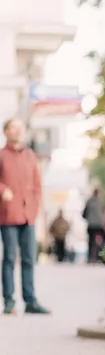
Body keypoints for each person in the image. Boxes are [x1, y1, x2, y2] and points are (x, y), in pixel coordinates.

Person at [0, 119, 49, 315]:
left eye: (21, 128)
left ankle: (30, 301)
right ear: (6, 131)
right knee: (10, 257)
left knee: (29, 258)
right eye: (14, 127)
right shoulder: (2, 155)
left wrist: (35, 207)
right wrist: (3, 190)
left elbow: (37, 185)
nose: (18, 131)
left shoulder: (30, 156)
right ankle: (9, 300)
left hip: (29, 215)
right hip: (8, 215)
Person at [82, 188, 105, 263]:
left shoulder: (89, 201)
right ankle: (98, 256)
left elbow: (84, 213)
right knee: (100, 240)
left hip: (91, 225)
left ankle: (90, 257)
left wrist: (88, 218)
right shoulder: (102, 201)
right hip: (99, 225)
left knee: (90, 241)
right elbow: (104, 213)